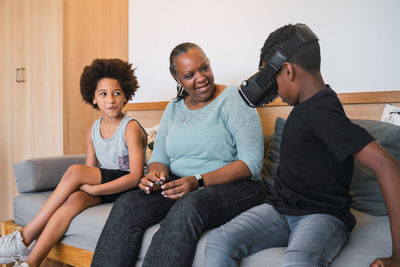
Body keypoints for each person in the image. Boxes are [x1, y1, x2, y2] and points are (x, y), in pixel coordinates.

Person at [204, 23, 400, 267]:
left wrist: (398, 256)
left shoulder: (322, 110)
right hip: (280, 210)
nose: (272, 91)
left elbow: (387, 166)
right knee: (219, 242)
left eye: (271, 79)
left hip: (321, 215)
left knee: (299, 261)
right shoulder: (304, 107)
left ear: (287, 70)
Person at [90, 42, 266, 267]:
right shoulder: (173, 108)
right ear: (177, 79)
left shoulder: (236, 99)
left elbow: (251, 164)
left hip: (237, 186)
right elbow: (160, 159)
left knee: (189, 206)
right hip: (183, 184)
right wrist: (155, 176)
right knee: (128, 204)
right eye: (190, 75)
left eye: (204, 68)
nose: (201, 78)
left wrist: (198, 182)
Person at [0, 58, 148, 267]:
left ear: (126, 96)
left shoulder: (130, 128)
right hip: (109, 186)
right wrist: (86, 189)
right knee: (74, 201)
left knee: (75, 172)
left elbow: (135, 177)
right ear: (93, 98)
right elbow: (91, 169)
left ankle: (23, 238)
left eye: (117, 93)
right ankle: (30, 263)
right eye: (103, 94)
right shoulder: (92, 130)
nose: (111, 100)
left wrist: (96, 191)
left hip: (131, 188)